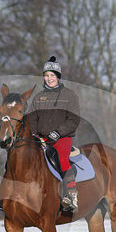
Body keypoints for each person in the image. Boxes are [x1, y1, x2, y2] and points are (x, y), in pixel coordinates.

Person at [28, 56, 80, 211]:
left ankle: (71, 195)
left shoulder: (69, 96)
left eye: (52, 76)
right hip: (40, 139)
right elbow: (32, 119)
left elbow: (73, 120)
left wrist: (58, 133)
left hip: (62, 138)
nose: (49, 79)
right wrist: (34, 134)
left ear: (58, 77)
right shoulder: (38, 97)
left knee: (62, 159)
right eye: (46, 75)